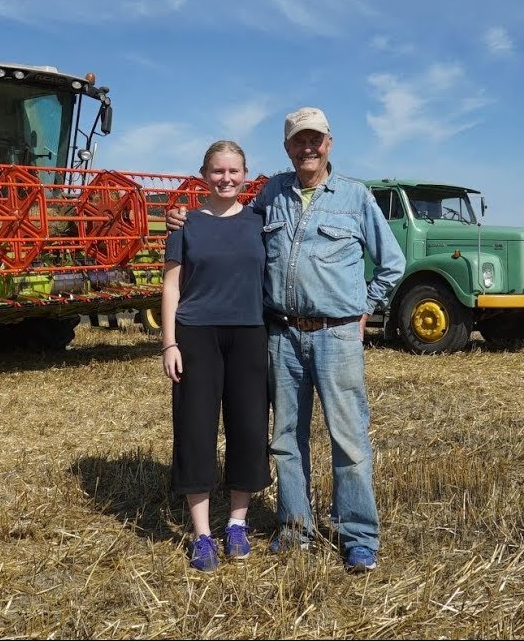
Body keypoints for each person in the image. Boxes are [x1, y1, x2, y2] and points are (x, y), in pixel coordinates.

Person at [167, 107, 405, 572]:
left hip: (336, 335)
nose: (308, 147)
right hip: (281, 334)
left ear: (330, 143)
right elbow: (228, 226)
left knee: (349, 439)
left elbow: (391, 263)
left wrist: (364, 308)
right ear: (287, 148)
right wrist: (185, 218)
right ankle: (295, 529)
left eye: (315, 139)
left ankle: (358, 536)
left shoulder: (355, 197)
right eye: (299, 141)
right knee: (284, 439)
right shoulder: (272, 192)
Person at [161, 139, 272, 573]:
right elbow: (171, 286)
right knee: (195, 427)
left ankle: (238, 523)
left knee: (248, 426)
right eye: (217, 171)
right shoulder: (184, 225)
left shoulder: (260, 221)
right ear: (203, 175)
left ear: (245, 175)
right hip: (196, 335)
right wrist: (168, 342)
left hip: (249, 333)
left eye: (233, 171)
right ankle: (203, 534)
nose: (226, 179)